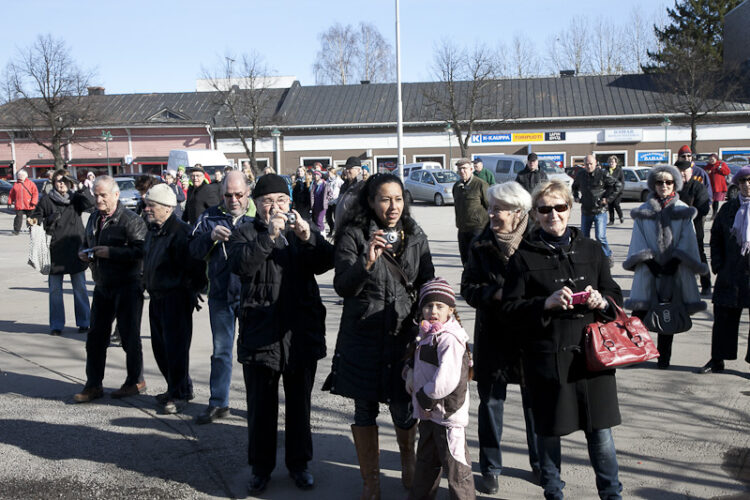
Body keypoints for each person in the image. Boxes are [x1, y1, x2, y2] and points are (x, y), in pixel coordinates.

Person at [501, 179, 624, 500]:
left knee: (601, 434)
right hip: (547, 358)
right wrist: (545, 302)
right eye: (544, 209)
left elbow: (614, 293)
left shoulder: (591, 249)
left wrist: (602, 302)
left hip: (592, 358)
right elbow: (510, 310)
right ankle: (553, 492)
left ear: (570, 209)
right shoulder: (523, 256)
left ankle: (612, 494)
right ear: (536, 214)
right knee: (549, 432)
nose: (552, 214)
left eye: (559, 207)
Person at [328, 173, 435, 498]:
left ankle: (409, 465)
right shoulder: (353, 235)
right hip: (363, 335)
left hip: (403, 336)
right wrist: (367, 262)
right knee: (365, 409)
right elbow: (343, 285)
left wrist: (435, 312)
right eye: (385, 199)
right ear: (372, 202)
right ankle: (370, 483)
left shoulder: (415, 235)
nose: (393, 206)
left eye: (398, 198)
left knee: (403, 408)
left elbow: (428, 281)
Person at [228, 174, 334, 494]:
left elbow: (326, 261)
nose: (275, 207)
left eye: (281, 201)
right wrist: (268, 238)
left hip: (300, 330)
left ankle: (299, 464)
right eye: (268, 202)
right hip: (261, 330)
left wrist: (308, 237)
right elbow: (241, 266)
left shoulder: (301, 230)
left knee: (299, 404)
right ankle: (261, 468)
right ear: (256, 205)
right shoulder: (244, 232)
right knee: (261, 406)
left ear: (290, 202)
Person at [460, 181, 539, 494]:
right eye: (490, 207)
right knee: (491, 404)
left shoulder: (536, 241)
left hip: (531, 336)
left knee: (535, 404)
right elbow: (468, 288)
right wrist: (495, 294)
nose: (491, 213)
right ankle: (490, 468)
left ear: (518, 211)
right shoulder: (480, 244)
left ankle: (540, 463)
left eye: (498, 208)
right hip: (492, 335)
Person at [623, 165, 707, 369]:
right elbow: (638, 239)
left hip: (674, 269)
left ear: (675, 184)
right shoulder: (643, 211)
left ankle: (664, 358)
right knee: (639, 313)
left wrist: (676, 260)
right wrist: (648, 260)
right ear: (653, 184)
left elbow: (689, 240)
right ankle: (635, 353)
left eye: (668, 182)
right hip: (648, 268)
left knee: (668, 310)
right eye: (659, 182)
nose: (664, 186)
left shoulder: (682, 210)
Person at [73, 176, 148, 403]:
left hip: (128, 285)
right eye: (95, 195)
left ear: (116, 195)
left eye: (103, 195)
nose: (98, 200)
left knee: (129, 336)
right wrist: (83, 253)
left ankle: (135, 381)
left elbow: (141, 252)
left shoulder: (131, 220)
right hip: (102, 285)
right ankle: (93, 384)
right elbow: (86, 243)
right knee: (95, 337)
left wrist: (111, 252)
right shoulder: (94, 218)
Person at [189, 171, 254, 424]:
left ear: (248, 192)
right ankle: (218, 403)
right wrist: (209, 237)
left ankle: (256, 403)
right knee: (221, 352)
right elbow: (192, 250)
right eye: (228, 195)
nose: (234, 199)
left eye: (239, 194)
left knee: (253, 354)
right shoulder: (209, 217)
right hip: (220, 294)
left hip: (252, 296)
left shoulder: (257, 216)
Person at [404, 278, 476, 500]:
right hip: (429, 415)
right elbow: (417, 362)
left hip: (446, 417)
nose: (433, 311)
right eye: (428, 305)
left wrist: (424, 397)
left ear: (450, 310)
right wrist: (408, 374)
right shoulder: (426, 333)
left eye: (440, 306)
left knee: (456, 468)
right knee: (426, 463)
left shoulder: (449, 339)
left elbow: (447, 379)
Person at [142, 184, 207, 414]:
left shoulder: (182, 232)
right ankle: (176, 387)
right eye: (147, 204)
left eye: (152, 205)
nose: (147, 209)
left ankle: (180, 393)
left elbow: (197, 267)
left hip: (176, 298)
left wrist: (189, 291)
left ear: (167, 208)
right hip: (157, 296)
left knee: (176, 349)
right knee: (161, 349)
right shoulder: (153, 230)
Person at [698, 165, 750, 374]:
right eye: (744, 181)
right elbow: (716, 237)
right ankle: (717, 359)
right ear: (738, 184)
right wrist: (718, 265)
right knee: (724, 318)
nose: (747, 185)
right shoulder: (728, 209)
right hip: (730, 271)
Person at [29, 169, 94, 335]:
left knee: (80, 288)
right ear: (53, 183)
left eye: (65, 181)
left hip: (76, 249)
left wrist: (81, 187)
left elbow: (91, 204)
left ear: (69, 182)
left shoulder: (75, 198)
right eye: (58, 181)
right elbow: (37, 216)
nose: (61, 184)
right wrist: (42, 220)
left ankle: (84, 321)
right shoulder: (47, 200)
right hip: (55, 250)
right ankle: (56, 325)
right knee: (55, 291)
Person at [571, 154, 620, 265]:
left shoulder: (603, 174)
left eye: (591, 164)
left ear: (596, 163)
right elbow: (574, 186)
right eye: (586, 164)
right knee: (584, 237)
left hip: (600, 211)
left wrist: (608, 199)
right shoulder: (581, 175)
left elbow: (618, 185)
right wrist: (576, 196)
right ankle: (587, 257)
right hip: (586, 210)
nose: (588, 166)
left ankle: (607, 255)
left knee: (600, 236)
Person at [676, 160, 712, 295]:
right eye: (679, 173)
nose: (682, 175)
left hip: (695, 228)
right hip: (676, 229)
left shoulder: (698, 187)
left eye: (685, 172)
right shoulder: (674, 187)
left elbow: (703, 208)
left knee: (699, 255)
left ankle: (706, 283)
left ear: (690, 172)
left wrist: (688, 214)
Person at [453, 158, 489, 266]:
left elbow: (490, 206)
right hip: (462, 230)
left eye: (464, 168)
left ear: (471, 169)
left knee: (478, 260)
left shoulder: (480, 185)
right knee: (465, 261)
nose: (462, 171)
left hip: (478, 229)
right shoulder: (456, 187)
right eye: (459, 169)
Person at [334, 156, 364, 226]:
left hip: (352, 229)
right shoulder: (344, 186)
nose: (347, 171)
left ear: (358, 170)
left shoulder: (362, 186)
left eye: (350, 168)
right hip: (340, 228)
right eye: (346, 168)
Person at [8, 169, 38, 235]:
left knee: (30, 218)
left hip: (29, 204)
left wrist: (34, 201)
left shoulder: (31, 183)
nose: (20, 176)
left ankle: (32, 230)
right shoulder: (16, 184)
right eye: (19, 175)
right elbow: (11, 194)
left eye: (22, 175)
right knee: (18, 218)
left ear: (25, 176)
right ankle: (16, 231)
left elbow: (35, 193)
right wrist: (10, 201)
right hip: (19, 204)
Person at [705, 154, 731, 219]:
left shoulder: (721, 164)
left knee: (716, 200)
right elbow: (705, 174)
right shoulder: (708, 166)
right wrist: (707, 172)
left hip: (719, 186)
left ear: (716, 159)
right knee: (711, 200)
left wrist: (721, 168)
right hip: (711, 186)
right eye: (710, 159)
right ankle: (714, 214)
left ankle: (715, 214)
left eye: (712, 159)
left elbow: (727, 172)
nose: (711, 160)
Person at [606, 156, 624, 225]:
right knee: (610, 206)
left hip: (617, 191)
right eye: (610, 162)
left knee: (616, 204)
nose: (611, 163)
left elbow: (622, 182)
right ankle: (611, 220)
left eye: (612, 162)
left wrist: (621, 189)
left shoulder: (619, 170)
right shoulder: (606, 170)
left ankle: (621, 216)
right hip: (609, 191)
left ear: (616, 163)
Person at [326, 166, 344, 234]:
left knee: (336, 216)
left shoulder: (338, 180)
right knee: (328, 217)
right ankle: (331, 229)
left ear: (333, 172)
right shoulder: (327, 181)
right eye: (327, 172)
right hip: (328, 201)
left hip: (336, 201)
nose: (328, 173)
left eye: (329, 172)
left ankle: (337, 230)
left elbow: (342, 187)